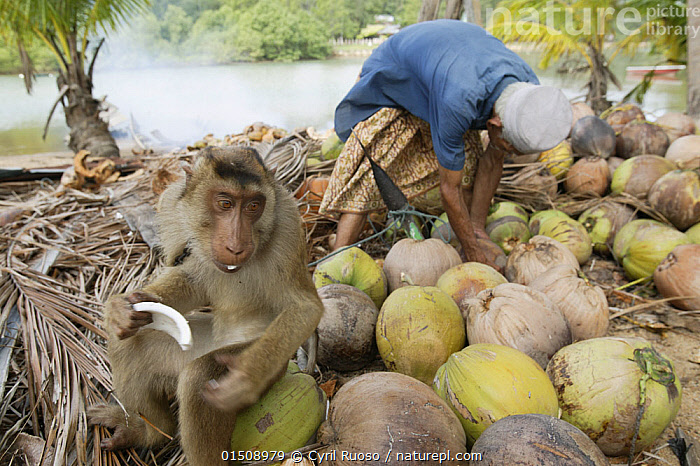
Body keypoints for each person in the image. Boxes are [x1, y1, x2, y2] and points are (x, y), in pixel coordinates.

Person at [319, 19, 572, 270]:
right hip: (395, 73)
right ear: (494, 124)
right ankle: (336, 260)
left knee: (470, 166)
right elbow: (449, 190)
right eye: (510, 147)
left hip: (444, 73)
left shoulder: (528, 92)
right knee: (370, 172)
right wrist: (474, 253)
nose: (509, 153)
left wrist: (477, 234)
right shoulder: (459, 100)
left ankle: (473, 230)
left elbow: (494, 158)